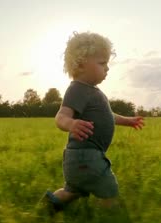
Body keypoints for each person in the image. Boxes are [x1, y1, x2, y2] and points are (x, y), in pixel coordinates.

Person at [43, 31, 144, 213]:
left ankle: (50, 204)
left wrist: (128, 121)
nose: (107, 68)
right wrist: (71, 124)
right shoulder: (77, 89)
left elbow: (108, 116)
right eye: (102, 63)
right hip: (87, 156)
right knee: (109, 189)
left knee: (72, 190)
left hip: (79, 158)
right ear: (81, 65)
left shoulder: (93, 92)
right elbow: (60, 117)